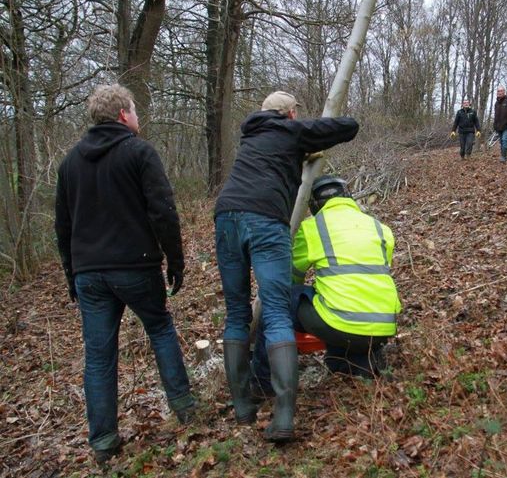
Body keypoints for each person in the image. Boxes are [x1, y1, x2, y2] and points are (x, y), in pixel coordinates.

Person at [55, 84, 195, 465]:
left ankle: (103, 441)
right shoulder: (139, 151)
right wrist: (175, 260)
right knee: (161, 330)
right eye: (134, 111)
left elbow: (63, 228)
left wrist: (72, 275)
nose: (137, 117)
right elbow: (163, 210)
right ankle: (185, 409)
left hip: (90, 274)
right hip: (135, 265)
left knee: (99, 357)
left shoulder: (70, 164)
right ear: (122, 115)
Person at [214, 91, 358, 442]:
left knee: (236, 313)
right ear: (290, 114)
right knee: (277, 312)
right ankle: (282, 417)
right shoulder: (290, 130)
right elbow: (348, 127)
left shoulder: (252, 137)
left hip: (225, 214)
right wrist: (307, 135)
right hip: (265, 219)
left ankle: (243, 408)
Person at [272, 175, 400, 379]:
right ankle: (351, 360)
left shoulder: (312, 227)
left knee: (288, 297)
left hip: (342, 325)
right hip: (385, 325)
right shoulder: (379, 227)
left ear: (314, 204)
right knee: (339, 302)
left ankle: (268, 374)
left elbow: (293, 275)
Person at [493, 86, 507, 162]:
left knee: (504, 140)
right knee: (501, 142)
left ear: (504, 92)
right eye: (498, 91)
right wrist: (495, 125)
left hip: (506, 126)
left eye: (501, 91)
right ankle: (503, 155)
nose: (499, 92)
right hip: (498, 127)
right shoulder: (496, 103)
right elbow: (496, 115)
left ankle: (503, 157)